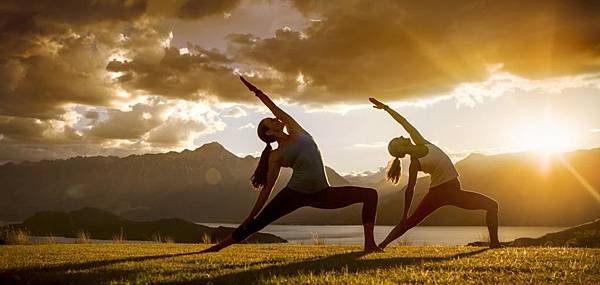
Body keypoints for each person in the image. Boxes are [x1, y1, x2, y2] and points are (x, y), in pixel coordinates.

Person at [201, 77, 380, 252]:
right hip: (295, 194)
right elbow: (267, 189)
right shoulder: (276, 155)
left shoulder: (296, 130)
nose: (275, 119)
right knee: (257, 223)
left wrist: (256, 91)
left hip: (323, 193)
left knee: (370, 195)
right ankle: (218, 247)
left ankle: (369, 244)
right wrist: (249, 216)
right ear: (270, 132)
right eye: (270, 121)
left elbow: (274, 107)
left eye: (272, 118)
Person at [369, 98, 501, 249]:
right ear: (400, 148)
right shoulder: (415, 163)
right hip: (440, 192)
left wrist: (386, 108)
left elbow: (403, 121)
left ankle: (495, 244)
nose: (400, 136)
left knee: (492, 206)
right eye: (397, 139)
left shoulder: (421, 142)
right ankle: (381, 246)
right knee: (492, 205)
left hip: (451, 191)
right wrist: (404, 215)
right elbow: (410, 190)